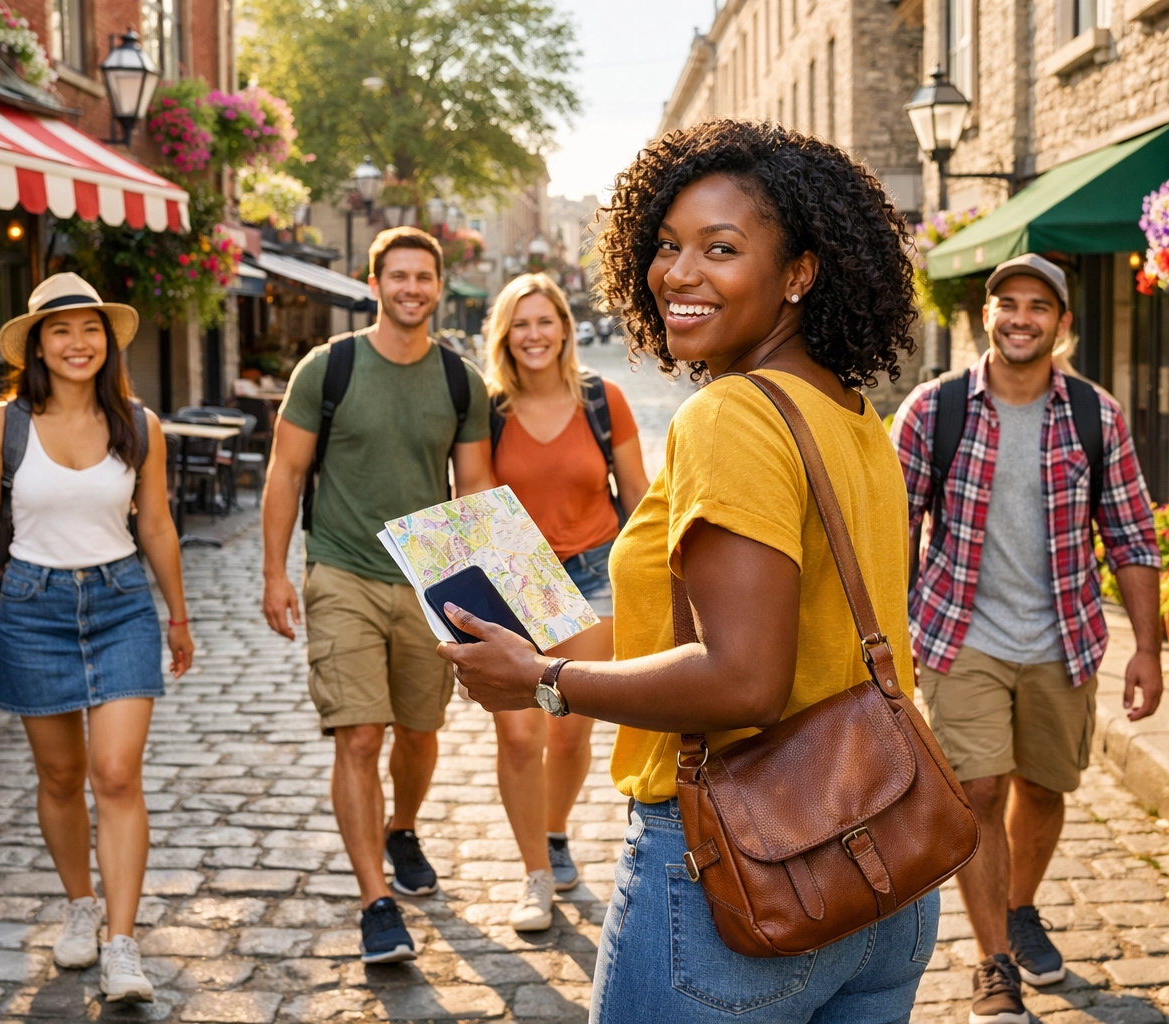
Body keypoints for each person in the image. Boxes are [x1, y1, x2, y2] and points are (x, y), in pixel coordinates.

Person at [437, 120, 934, 1022]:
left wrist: (546, 681)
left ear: (799, 274)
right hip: (886, 865)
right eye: (666, 247)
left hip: (741, 873)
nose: (678, 273)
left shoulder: (730, 416)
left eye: (722, 248)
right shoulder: (851, 415)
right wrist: (538, 647)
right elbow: (719, 624)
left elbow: (744, 682)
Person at [891, 253, 1162, 1024]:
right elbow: (889, 533)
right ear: (987, 315)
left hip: (1063, 638)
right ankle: (992, 963)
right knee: (979, 788)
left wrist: (1148, 647)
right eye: (1006, 303)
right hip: (958, 633)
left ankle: (1019, 906)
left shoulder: (1093, 415)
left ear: (1062, 323)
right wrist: (882, 638)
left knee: (1044, 788)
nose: (1020, 317)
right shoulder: (933, 409)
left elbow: (1133, 536)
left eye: (1037, 306)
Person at [0, 273, 192, 1004]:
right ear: (37, 345)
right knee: (59, 777)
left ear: (108, 341)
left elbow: (154, 524)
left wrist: (179, 616)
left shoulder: (139, 423)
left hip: (121, 604)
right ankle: (80, 902)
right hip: (32, 607)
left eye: (89, 329)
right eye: (60, 331)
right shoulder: (3, 423)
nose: (77, 343)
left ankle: (123, 942)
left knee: (115, 774)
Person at [260, 226, 493, 963]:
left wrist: (487, 599)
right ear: (375, 283)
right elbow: (285, 474)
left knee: (419, 733)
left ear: (438, 284)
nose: (412, 288)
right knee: (360, 735)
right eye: (399, 275)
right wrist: (275, 572)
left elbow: (476, 490)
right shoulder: (326, 369)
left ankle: (403, 827)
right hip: (341, 571)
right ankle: (376, 902)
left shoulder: (462, 382)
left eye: (424, 276)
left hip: (426, 584)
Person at [483, 273, 650, 932]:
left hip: (592, 572)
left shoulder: (602, 400)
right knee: (519, 732)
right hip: (514, 576)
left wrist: (667, 577)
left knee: (568, 726)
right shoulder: (488, 409)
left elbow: (638, 495)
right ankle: (534, 876)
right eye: (520, 324)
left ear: (564, 328)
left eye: (544, 321)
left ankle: (554, 835)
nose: (533, 335)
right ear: (505, 334)